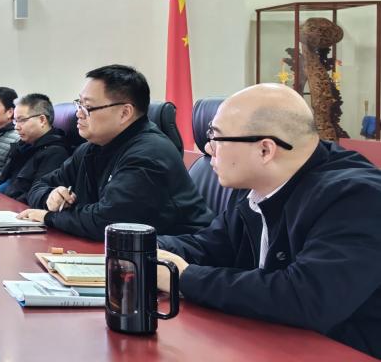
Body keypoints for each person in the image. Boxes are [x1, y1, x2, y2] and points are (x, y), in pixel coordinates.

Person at [157, 84, 381, 358]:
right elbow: (209, 246)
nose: (207, 147)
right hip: (272, 343)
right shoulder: (260, 185)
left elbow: (304, 297)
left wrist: (183, 278)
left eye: (216, 136)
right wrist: (140, 249)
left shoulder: (358, 197)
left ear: (265, 150)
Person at [20, 65, 211, 239]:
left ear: (125, 113)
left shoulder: (149, 153)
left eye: (87, 107)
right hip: (113, 250)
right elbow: (38, 186)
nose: (78, 113)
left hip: (175, 256)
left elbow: (107, 222)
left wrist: (49, 217)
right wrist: (50, 197)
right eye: (79, 104)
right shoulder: (91, 148)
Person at [0, 93, 70, 203]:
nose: (16, 127)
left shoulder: (55, 153)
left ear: (42, 120)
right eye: (15, 120)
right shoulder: (24, 146)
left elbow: (34, 196)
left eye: (21, 120)